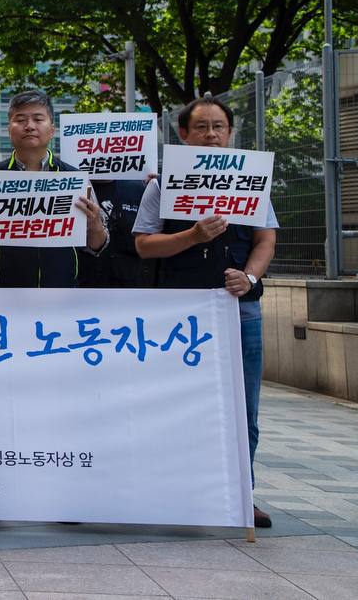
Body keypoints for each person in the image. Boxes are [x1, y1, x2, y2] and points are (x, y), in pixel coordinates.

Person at [132, 96, 277, 529]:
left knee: (243, 409)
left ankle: (240, 494)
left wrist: (248, 278)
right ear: (183, 135)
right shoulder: (163, 185)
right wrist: (192, 236)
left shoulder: (251, 181)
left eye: (218, 126)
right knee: (178, 405)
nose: (210, 134)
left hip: (239, 311)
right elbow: (143, 244)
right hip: (181, 313)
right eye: (201, 127)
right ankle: (177, 491)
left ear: (230, 133)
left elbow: (266, 239)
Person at [0, 90, 108, 287]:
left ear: (52, 129)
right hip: (4, 295)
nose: (29, 126)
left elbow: (97, 246)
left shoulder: (76, 180)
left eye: (38, 119)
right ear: (8, 129)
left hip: (62, 294)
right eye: (20, 120)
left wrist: (95, 225)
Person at [78, 176, 155, 287]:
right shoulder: (73, 190)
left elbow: (153, 235)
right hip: (85, 283)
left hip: (132, 284)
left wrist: (159, 187)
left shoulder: (138, 188)